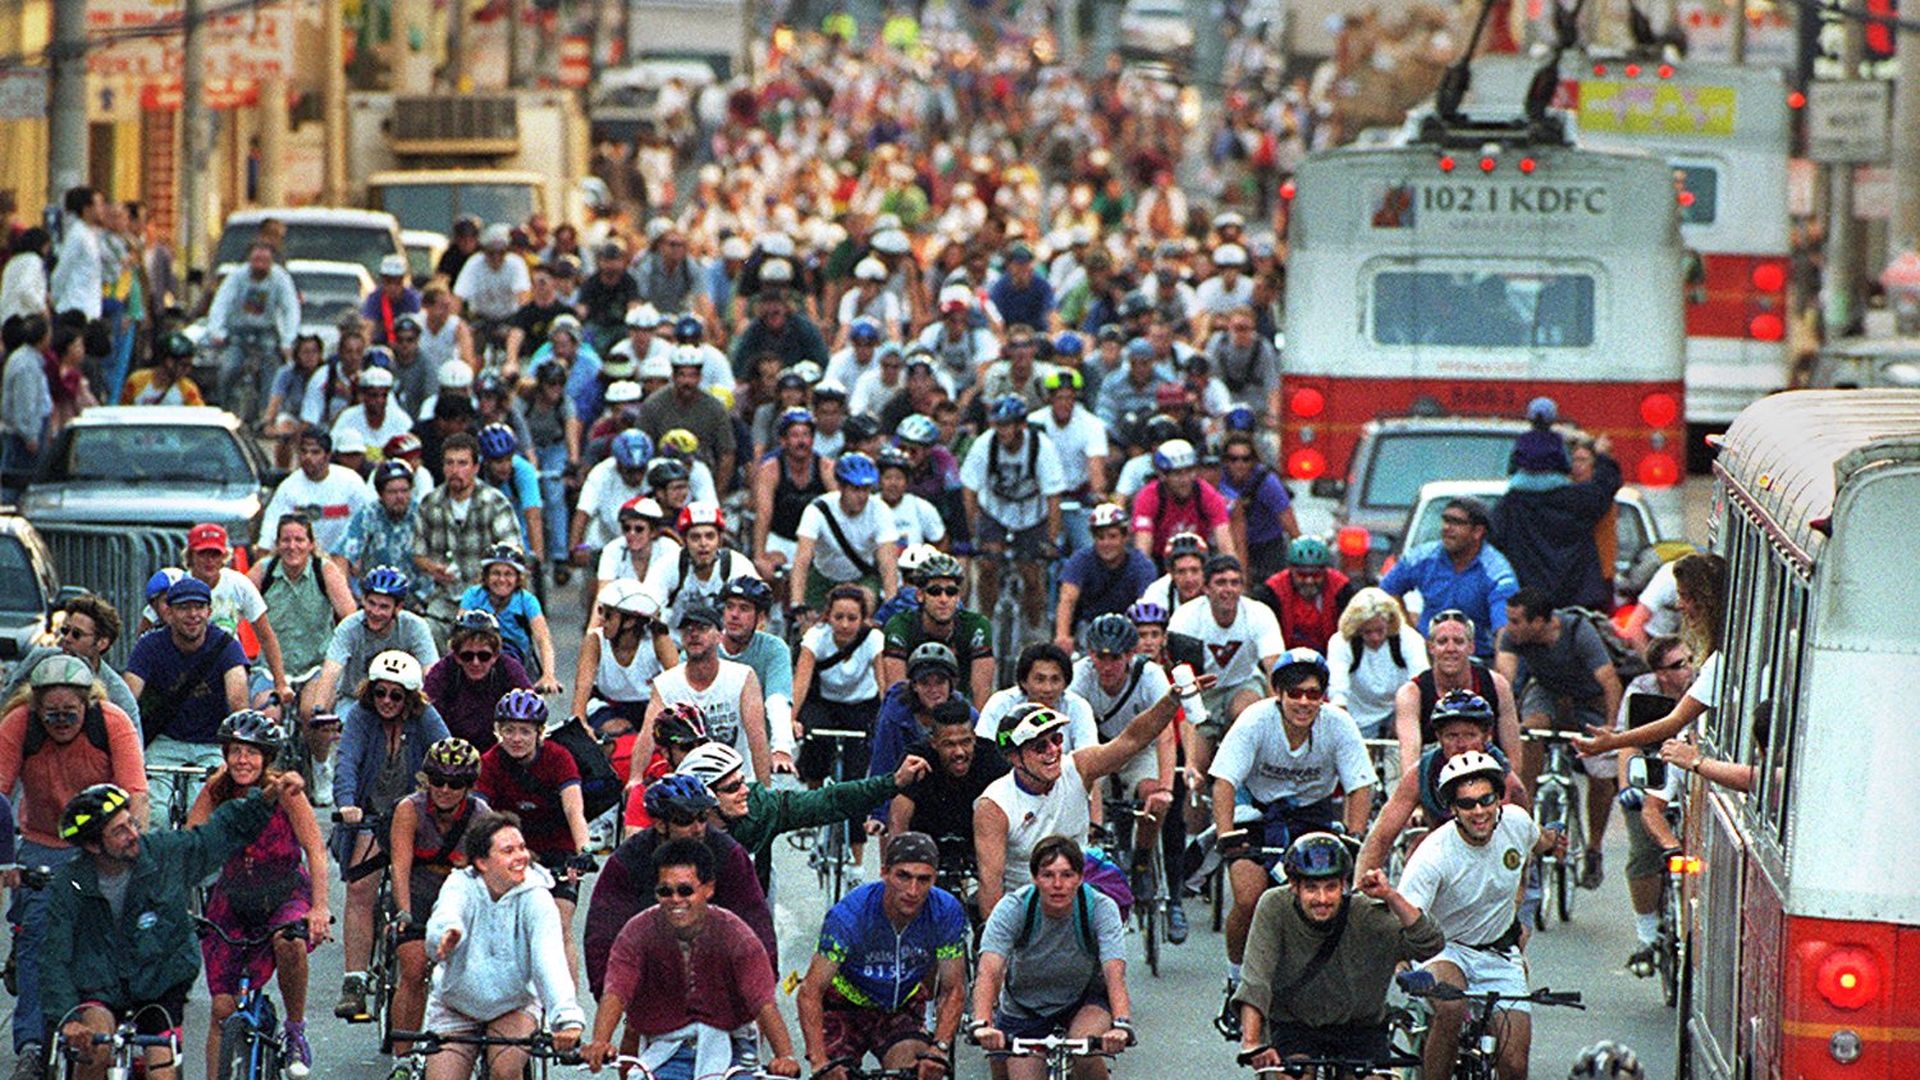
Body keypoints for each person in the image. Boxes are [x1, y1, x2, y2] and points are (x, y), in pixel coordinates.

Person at [44, 772, 306, 1080]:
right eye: (119, 831)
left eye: (132, 823)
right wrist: (67, 1019)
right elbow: (54, 955)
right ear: (92, 846)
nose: (133, 834)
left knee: (162, 1072)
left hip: (159, 984)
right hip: (100, 988)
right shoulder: (69, 884)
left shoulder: (165, 854)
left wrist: (263, 799)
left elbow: (217, 834)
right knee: (95, 1050)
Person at [1210, 649, 1377, 1029]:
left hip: (1312, 816)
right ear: (1279, 694)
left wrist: (1353, 836)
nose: (1304, 702)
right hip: (1257, 815)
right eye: (1295, 693)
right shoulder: (1255, 721)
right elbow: (1223, 782)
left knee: (1334, 901)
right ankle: (1237, 981)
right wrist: (1226, 836)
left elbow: (1360, 785)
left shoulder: (1338, 724)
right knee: (1250, 898)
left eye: (1313, 694)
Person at [0, 655, 147, 1070]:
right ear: (35, 706)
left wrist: (130, 844)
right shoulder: (18, 725)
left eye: (71, 714)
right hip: (43, 842)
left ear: (88, 705)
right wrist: (5, 860)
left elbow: (136, 792)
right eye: (51, 715)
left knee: (118, 930)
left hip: (99, 844)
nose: (61, 722)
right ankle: (31, 1044)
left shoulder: (112, 722)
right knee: (35, 937)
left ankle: (122, 1031)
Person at [975, 675, 1208, 918]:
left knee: (1108, 907)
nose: (1053, 751)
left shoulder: (1077, 767)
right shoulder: (994, 806)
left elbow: (1132, 740)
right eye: (1039, 746)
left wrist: (1172, 700)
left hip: (1080, 892)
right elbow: (990, 886)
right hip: (1027, 907)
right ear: (1014, 757)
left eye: (1056, 740)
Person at [1398, 752, 1566, 1080]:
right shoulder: (1433, 855)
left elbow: (1541, 840)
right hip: (1444, 949)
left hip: (1498, 952)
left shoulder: (1516, 823)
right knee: (1451, 1008)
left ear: (1498, 799)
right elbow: (1404, 916)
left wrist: (1556, 838)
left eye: (1486, 800)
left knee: (1515, 1065)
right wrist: (1402, 965)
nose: (1479, 812)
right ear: (1453, 810)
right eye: (1467, 804)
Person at [580, 838, 801, 1078]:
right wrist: (600, 1042)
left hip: (732, 1049)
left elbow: (764, 1003)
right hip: (664, 1050)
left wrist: (785, 1057)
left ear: (708, 889)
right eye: (665, 891)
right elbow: (616, 992)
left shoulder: (736, 935)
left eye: (685, 890)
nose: (675, 900)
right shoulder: (636, 933)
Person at [185, 711, 330, 1076]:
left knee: (290, 941)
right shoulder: (217, 789)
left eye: (251, 753)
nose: (242, 761)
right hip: (233, 898)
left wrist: (319, 908)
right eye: (235, 751)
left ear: (267, 757)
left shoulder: (285, 790)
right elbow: (190, 844)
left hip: (284, 892)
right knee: (222, 1008)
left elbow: (315, 850)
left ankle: (295, 1030)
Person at [1233, 834, 1442, 1074]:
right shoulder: (1274, 907)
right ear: (1294, 885)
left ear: (1343, 884)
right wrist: (1251, 1042)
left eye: (1331, 888)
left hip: (1360, 1027)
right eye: (1311, 888)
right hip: (1295, 1025)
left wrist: (1391, 897)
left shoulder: (1365, 913)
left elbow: (1430, 943)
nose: (1322, 899)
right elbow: (1256, 979)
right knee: (1295, 1074)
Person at [423, 811, 586, 1080]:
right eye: (508, 850)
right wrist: (446, 935)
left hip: (514, 1002)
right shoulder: (460, 885)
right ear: (482, 862)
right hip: (457, 1002)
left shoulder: (538, 896)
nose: (521, 857)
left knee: (506, 1071)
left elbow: (549, 959)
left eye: (522, 848)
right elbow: (447, 916)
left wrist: (566, 1019)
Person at [331, 649, 450, 1020]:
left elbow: (447, 756)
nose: (386, 701)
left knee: (427, 886)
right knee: (360, 887)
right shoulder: (361, 718)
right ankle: (354, 980)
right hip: (370, 816)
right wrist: (347, 803)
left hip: (416, 816)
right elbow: (347, 761)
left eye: (396, 695)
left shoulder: (426, 718)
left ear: (410, 698)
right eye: (380, 693)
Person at [585, 773, 777, 1002]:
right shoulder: (629, 859)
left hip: (717, 971)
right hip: (654, 974)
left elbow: (756, 921)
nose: (698, 829)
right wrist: (607, 994)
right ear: (660, 824)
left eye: (703, 817)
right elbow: (602, 932)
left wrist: (764, 989)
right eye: (685, 820)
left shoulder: (729, 854)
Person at [799, 832, 968, 1080]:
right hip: (844, 1007)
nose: (913, 890)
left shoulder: (946, 911)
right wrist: (819, 1061)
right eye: (903, 876)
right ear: (884, 872)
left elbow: (953, 989)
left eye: (923, 879)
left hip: (900, 1007)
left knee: (916, 1073)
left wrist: (939, 1047)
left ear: (934, 879)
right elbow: (810, 991)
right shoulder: (849, 916)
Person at [970, 836, 1133, 1080]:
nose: (1058, 884)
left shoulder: (1100, 908)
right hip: (1025, 1006)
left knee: (1084, 1048)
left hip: (1084, 999)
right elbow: (989, 971)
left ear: (1080, 878)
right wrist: (982, 1023)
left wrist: (1121, 1026)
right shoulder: (1013, 908)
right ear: (1035, 878)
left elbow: (1114, 972)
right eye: (1048, 875)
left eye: (1067, 875)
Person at [1494, 586, 1625, 884]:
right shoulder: (1511, 637)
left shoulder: (1579, 632)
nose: (1509, 628)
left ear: (1540, 622)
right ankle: (1524, 820)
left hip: (1587, 699)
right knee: (1530, 734)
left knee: (1600, 773)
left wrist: (1610, 728)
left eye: (1516, 621)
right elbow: (1504, 680)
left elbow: (1610, 682)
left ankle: (1593, 848)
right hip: (1548, 692)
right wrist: (1506, 722)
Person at [1068, 615, 1183, 939]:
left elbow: (1163, 735)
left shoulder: (1151, 675)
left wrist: (1164, 789)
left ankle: (1142, 861)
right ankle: (1101, 848)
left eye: (1115, 657)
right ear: (1090, 655)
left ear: (1130, 655)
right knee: (1089, 788)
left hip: (1139, 749)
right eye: (1100, 656)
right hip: (1099, 747)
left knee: (1154, 799)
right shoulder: (1080, 676)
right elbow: (1073, 731)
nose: (1107, 665)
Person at [475, 690, 595, 980]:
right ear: (497, 731)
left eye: (525, 732)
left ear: (540, 733)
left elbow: (573, 808)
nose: (516, 739)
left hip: (558, 846)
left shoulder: (559, 757)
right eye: (509, 730)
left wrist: (583, 850)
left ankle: (566, 1011)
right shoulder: (490, 762)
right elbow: (480, 812)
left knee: (559, 922)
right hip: (511, 849)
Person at [1354, 690, 1531, 881]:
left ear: (1486, 736)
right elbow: (1381, 837)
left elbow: (1522, 842)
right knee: (1417, 848)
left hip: (1491, 859)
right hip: (1443, 855)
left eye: (1470, 735)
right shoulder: (1422, 772)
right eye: (1452, 736)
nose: (1461, 745)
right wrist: (1361, 892)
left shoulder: (1506, 779)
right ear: (1439, 737)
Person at [385, 737, 489, 1054]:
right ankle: (402, 1056)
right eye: (437, 781)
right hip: (417, 890)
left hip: (460, 894)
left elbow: (490, 872)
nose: (444, 789)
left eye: (454, 783)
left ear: (468, 786)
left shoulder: (481, 814)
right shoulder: (410, 809)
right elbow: (400, 867)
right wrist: (403, 913)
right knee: (414, 969)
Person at [122, 576, 250, 817]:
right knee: (154, 813)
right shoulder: (149, 645)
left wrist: (235, 748)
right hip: (164, 741)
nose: (193, 614)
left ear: (209, 611)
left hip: (212, 743)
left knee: (202, 813)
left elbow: (238, 701)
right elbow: (128, 699)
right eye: (184, 608)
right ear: (168, 613)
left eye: (199, 607)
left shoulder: (226, 645)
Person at [1167, 555, 1286, 785]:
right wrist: (1191, 761)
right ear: (1206, 588)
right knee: (1196, 775)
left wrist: (1278, 724)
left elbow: (1275, 671)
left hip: (1242, 684)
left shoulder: (1259, 614)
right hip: (1201, 692)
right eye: (1221, 583)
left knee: (1248, 713)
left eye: (1235, 583)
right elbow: (1185, 686)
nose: (1228, 589)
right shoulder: (1185, 619)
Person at [962, 394, 1066, 636]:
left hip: (1031, 516)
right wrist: (974, 530)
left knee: (1031, 574)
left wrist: (1050, 541)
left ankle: (1033, 628)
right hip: (995, 512)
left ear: (1021, 425)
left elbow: (1054, 498)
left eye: (1008, 425)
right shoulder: (984, 445)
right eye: (998, 425)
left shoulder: (1041, 447)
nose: (1003, 431)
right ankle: (984, 627)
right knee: (987, 565)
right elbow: (969, 490)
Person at [640, 601, 779, 782]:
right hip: (688, 786)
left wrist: (764, 788)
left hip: (737, 780)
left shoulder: (742, 676)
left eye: (702, 628)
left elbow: (757, 737)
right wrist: (635, 777)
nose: (694, 634)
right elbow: (646, 735)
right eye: (687, 629)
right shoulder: (665, 683)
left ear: (720, 636)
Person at [1490, 431, 1622, 613]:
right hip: (1578, 605)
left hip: (1528, 608)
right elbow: (1605, 485)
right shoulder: (1578, 500)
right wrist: (1602, 457)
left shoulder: (1509, 505)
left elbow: (1492, 542)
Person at [413, 433, 524, 640]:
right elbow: (418, 553)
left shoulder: (495, 502)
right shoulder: (429, 503)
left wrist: (484, 577)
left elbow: (514, 552)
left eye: (463, 463)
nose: (455, 470)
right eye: (450, 463)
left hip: (488, 598)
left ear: (475, 467)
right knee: (425, 632)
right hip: (444, 597)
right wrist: (433, 568)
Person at [1378, 496, 1519, 660]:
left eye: (1456, 522)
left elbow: (1505, 631)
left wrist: (1500, 678)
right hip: (1427, 656)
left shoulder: (1497, 573)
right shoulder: (1422, 558)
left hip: (1476, 658)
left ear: (1477, 532)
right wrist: (1412, 637)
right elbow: (1385, 594)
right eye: (1445, 520)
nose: (1446, 527)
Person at [887, 700, 1010, 881]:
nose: (959, 752)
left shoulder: (993, 758)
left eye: (966, 742)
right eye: (949, 744)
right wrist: (896, 873)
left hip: (980, 840)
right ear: (933, 743)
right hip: (926, 841)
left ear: (974, 738)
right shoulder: (916, 760)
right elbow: (898, 819)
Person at [1394, 609, 1523, 778]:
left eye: (1458, 641)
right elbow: (1409, 761)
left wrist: (1505, 794)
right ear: (1431, 647)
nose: (1450, 648)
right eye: (1442, 642)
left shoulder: (1497, 685)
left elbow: (1513, 755)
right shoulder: (1411, 693)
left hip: (1489, 781)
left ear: (1471, 647)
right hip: (1434, 783)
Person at [309, 566, 441, 717]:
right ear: (363, 600)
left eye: (384, 606)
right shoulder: (350, 626)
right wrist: (318, 708)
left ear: (398, 608)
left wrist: (434, 710)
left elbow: (431, 671)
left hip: (400, 701)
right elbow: (332, 670)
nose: (375, 612)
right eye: (371, 603)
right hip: (355, 701)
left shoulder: (414, 626)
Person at [0, 594, 141, 728]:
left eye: (76, 634)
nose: (67, 639)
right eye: (65, 630)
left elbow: (134, 744)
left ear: (101, 643)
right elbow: (5, 702)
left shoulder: (117, 693)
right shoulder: (39, 660)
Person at [880, 553, 995, 709]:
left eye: (951, 592)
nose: (943, 599)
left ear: (958, 596)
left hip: (960, 711)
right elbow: (897, 692)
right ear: (920, 595)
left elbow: (981, 690)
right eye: (935, 591)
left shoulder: (977, 626)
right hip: (914, 710)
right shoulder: (900, 625)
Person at [790, 453, 901, 611]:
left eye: (866, 490)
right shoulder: (817, 510)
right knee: (809, 622)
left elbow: (887, 560)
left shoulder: (880, 510)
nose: (862, 496)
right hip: (823, 576)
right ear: (841, 487)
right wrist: (797, 602)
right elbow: (802, 557)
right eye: (855, 489)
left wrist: (891, 603)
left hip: (860, 578)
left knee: (866, 604)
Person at [205, 241, 300, 418]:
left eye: (265, 260)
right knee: (229, 368)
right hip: (238, 331)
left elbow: (290, 309)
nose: (260, 265)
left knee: (271, 369)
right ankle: (224, 409)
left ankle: (266, 414)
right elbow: (221, 303)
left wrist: (288, 339)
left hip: (266, 332)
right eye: (256, 260)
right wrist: (217, 331)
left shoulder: (280, 278)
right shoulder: (237, 276)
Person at [573, 580, 678, 737]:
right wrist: (580, 725)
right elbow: (582, 687)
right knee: (616, 732)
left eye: (608, 615)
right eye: (600, 611)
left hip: (649, 705)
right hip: (607, 705)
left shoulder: (658, 640)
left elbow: (677, 683)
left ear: (630, 621)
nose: (601, 620)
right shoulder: (594, 640)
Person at [1324, 587, 1429, 739]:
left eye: (1380, 631)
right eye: (1367, 632)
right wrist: (1343, 730)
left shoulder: (1409, 638)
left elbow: (1420, 681)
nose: (1375, 638)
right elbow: (1337, 690)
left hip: (1399, 711)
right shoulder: (1341, 642)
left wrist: (1405, 719)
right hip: (1358, 717)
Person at [1053, 504, 1157, 653]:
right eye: (1100, 537)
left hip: (1128, 628)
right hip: (1089, 627)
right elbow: (1067, 598)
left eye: (1112, 536)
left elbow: (1146, 604)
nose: (1106, 543)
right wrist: (1062, 636)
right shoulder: (1080, 560)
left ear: (1125, 537)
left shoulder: (1141, 565)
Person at [458, 545, 562, 692]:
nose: (501, 579)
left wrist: (548, 675)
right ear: (486, 577)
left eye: (508, 574)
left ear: (518, 578)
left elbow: (543, 639)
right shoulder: (473, 595)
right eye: (496, 573)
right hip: (478, 657)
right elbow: (459, 633)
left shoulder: (526, 600)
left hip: (516, 661)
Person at [423, 609, 532, 750]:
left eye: (484, 656)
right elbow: (426, 714)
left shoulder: (510, 669)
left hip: (499, 751)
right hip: (451, 751)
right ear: (456, 656)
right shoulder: (443, 671)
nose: (475, 663)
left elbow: (530, 711)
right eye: (467, 656)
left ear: (495, 656)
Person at [751, 407, 832, 584]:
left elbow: (837, 509)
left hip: (817, 542)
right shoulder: (770, 469)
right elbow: (764, 514)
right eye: (795, 435)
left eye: (806, 435)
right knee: (770, 568)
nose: (801, 441)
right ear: (783, 440)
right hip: (781, 538)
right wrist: (759, 556)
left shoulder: (826, 467)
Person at [1130, 439, 1235, 563]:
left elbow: (1225, 544)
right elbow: (1143, 549)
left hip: (1198, 558)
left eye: (1189, 471)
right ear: (1163, 475)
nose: (1185, 480)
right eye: (1177, 474)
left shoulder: (1207, 494)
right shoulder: (1148, 496)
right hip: (1159, 560)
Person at [1255, 537, 1353, 656]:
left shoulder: (1341, 589)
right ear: (1290, 570)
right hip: (1284, 657)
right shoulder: (1272, 591)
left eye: (1316, 575)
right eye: (1302, 575)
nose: (1309, 581)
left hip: (1330, 657)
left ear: (1325, 572)